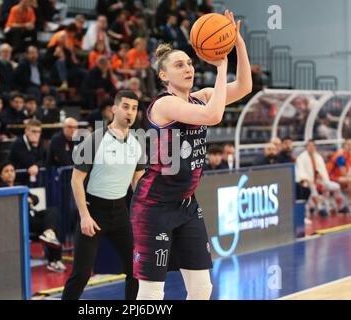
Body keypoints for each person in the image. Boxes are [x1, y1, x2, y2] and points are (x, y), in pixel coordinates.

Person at [130, 11, 251, 300]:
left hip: (186, 206)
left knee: (202, 288)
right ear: (163, 76)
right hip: (154, 207)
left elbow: (245, 87)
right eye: (179, 65)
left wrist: (238, 46)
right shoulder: (164, 105)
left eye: (189, 63)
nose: (188, 68)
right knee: (151, 292)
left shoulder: (201, 96)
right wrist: (221, 69)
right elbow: (213, 115)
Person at [62, 90, 145, 300]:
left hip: (119, 212)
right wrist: (84, 215)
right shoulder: (95, 140)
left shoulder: (138, 143)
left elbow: (138, 182)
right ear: (114, 109)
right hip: (93, 211)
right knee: (81, 274)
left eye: (134, 108)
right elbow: (76, 180)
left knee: (135, 268)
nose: (130, 112)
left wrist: (146, 212)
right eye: (125, 107)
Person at [0, 161, 66, 272]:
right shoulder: (0, 188)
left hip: (31, 215)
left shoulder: (19, 185)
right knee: (50, 224)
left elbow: (35, 198)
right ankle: (53, 255)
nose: (10, 173)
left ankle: (54, 256)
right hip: (19, 220)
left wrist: (30, 199)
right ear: (1, 175)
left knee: (53, 213)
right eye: (6, 171)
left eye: (12, 170)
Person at [296, 140, 349, 216]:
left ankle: (340, 207)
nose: (311, 148)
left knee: (336, 186)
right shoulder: (301, 158)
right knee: (312, 186)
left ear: (315, 147)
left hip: (318, 180)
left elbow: (322, 171)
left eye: (313, 146)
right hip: (307, 181)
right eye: (309, 146)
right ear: (306, 147)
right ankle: (319, 208)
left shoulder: (318, 157)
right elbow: (300, 172)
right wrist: (307, 179)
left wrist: (322, 177)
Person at [9, 119, 47, 185]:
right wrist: (35, 146)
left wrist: (37, 165)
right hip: (19, 181)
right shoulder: (18, 143)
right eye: (34, 131)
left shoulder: (41, 142)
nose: (37, 134)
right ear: (26, 131)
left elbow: (45, 159)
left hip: (34, 180)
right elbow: (29, 162)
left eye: (39, 132)